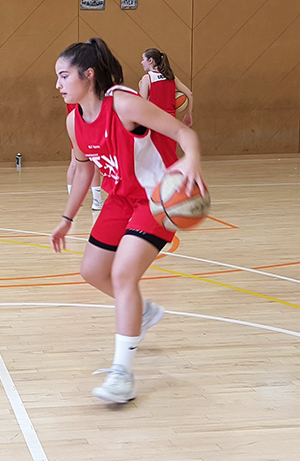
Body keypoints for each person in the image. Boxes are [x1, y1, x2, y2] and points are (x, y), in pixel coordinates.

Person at [51, 38, 205, 404]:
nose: (58, 85)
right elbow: (85, 172)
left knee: (122, 275)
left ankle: (123, 376)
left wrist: (192, 160)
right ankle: (142, 311)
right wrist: (67, 218)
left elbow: (185, 132)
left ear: (88, 75)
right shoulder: (75, 121)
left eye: (63, 76)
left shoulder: (123, 103)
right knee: (92, 270)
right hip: (119, 199)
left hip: (155, 199)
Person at [138, 48, 194, 126]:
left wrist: (141, 87)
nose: (141, 62)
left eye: (143, 59)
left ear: (150, 60)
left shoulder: (147, 78)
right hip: (171, 122)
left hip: (154, 121)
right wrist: (188, 115)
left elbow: (141, 105)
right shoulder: (171, 76)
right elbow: (190, 94)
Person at [66, 102, 105, 211]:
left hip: (75, 129)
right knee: (93, 164)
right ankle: (97, 201)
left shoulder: (70, 96)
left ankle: (73, 201)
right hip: (86, 129)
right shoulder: (84, 97)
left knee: (74, 163)